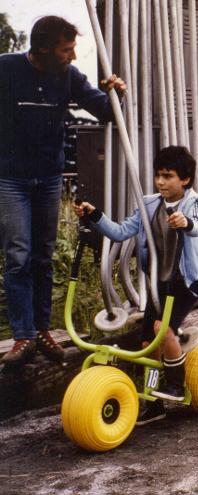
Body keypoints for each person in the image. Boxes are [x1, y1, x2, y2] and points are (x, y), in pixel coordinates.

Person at [0, 16, 126, 366]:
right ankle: (22, 337)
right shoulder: (7, 69)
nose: (72, 55)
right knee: (18, 256)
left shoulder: (68, 76)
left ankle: (42, 330)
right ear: (43, 49)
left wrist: (115, 93)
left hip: (49, 178)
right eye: (66, 49)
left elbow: (104, 110)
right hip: (10, 180)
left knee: (43, 255)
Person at [74, 146, 198, 423]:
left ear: (184, 179)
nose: (160, 182)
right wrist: (93, 215)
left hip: (187, 279)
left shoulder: (194, 203)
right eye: (158, 176)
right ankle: (153, 399)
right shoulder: (149, 203)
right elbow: (120, 232)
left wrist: (184, 223)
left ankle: (176, 383)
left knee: (163, 330)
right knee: (148, 343)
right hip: (161, 280)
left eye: (168, 176)